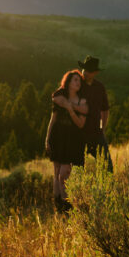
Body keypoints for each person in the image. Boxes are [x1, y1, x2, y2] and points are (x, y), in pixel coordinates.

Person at [52, 55, 113, 172]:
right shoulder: (77, 84)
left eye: (89, 71)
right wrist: (72, 106)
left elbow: (105, 110)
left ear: (95, 72)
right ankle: (80, 190)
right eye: (84, 69)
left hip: (96, 134)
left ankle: (107, 189)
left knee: (108, 167)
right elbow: (56, 96)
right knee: (78, 170)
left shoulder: (100, 87)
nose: (85, 73)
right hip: (78, 135)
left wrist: (103, 129)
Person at [45, 69, 87, 210]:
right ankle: (58, 204)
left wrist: (70, 109)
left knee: (64, 172)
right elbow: (53, 117)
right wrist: (47, 137)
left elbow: (81, 124)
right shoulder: (60, 95)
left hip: (72, 139)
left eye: (79, 81)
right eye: (75, 80)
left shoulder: (82, 100)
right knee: (56, 171)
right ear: (68, 82)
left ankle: (66, 204)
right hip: (57, 136)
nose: (78, 83)